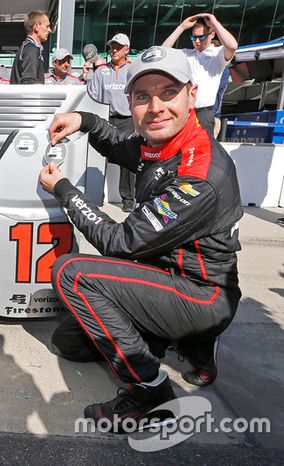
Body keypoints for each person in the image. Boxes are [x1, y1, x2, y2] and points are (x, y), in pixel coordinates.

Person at [39, 46, 242, 430]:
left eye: (168, 93)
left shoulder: (200, 172)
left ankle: (150, 389)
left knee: (72, 273)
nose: (156, 107)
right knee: (69, 342)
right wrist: (80, 118)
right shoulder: (163, 145)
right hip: (167, 277)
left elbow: (118, 241)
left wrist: (64, 189)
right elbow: (116, 144)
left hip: (201, 295)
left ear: (191, 96)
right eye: (143, 97)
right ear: (131, 102)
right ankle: (177, 342)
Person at [162, 14, 237, 137]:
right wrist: (181, 27)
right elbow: (162, 53)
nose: (197, 41)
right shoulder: (187, 54)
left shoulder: (218, 54)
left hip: (204, 113)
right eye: (193, 37)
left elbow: (232, 45)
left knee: (203, 154)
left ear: (212, 35)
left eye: (201, 37)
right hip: (184, 113)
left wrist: (214, 23)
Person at [88, 33, 135, 212]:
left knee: (128, 161)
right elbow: (92, 96)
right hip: (105, 119)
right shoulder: (100, 72)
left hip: (127, 120)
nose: (114, 50)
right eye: (112, 46)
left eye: (118, 47)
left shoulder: (133, 70)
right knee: (99, 158)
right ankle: (95, 196)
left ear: (127, 50)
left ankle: (128, 200)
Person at [10, 11, 52, 84]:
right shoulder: (31, 49)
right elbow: (28, 82)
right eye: (47, 26)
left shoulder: (28, 47)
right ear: (36, 27)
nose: (49, 30)